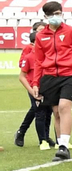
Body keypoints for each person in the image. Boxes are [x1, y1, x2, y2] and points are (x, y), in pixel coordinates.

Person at [33, 0, 72, 162]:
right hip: (49, 77)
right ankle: (60, 146)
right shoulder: (41, 36)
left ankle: (64, 145)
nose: (55, 17)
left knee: (65, 106)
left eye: (58, 14)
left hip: (70, 74)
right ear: (45, 16)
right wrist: (36, 83)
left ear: (62, 13)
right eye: (52, 15)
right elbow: (38, 61)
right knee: (57, 112)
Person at [13, 21, 44, 149]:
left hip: (45, 85)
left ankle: (44, 137)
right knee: (37, 110)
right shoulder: (28, 49)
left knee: (43, 111)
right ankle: (22, 132)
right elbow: (23, 64)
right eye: (40, 30)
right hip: (32, 84)